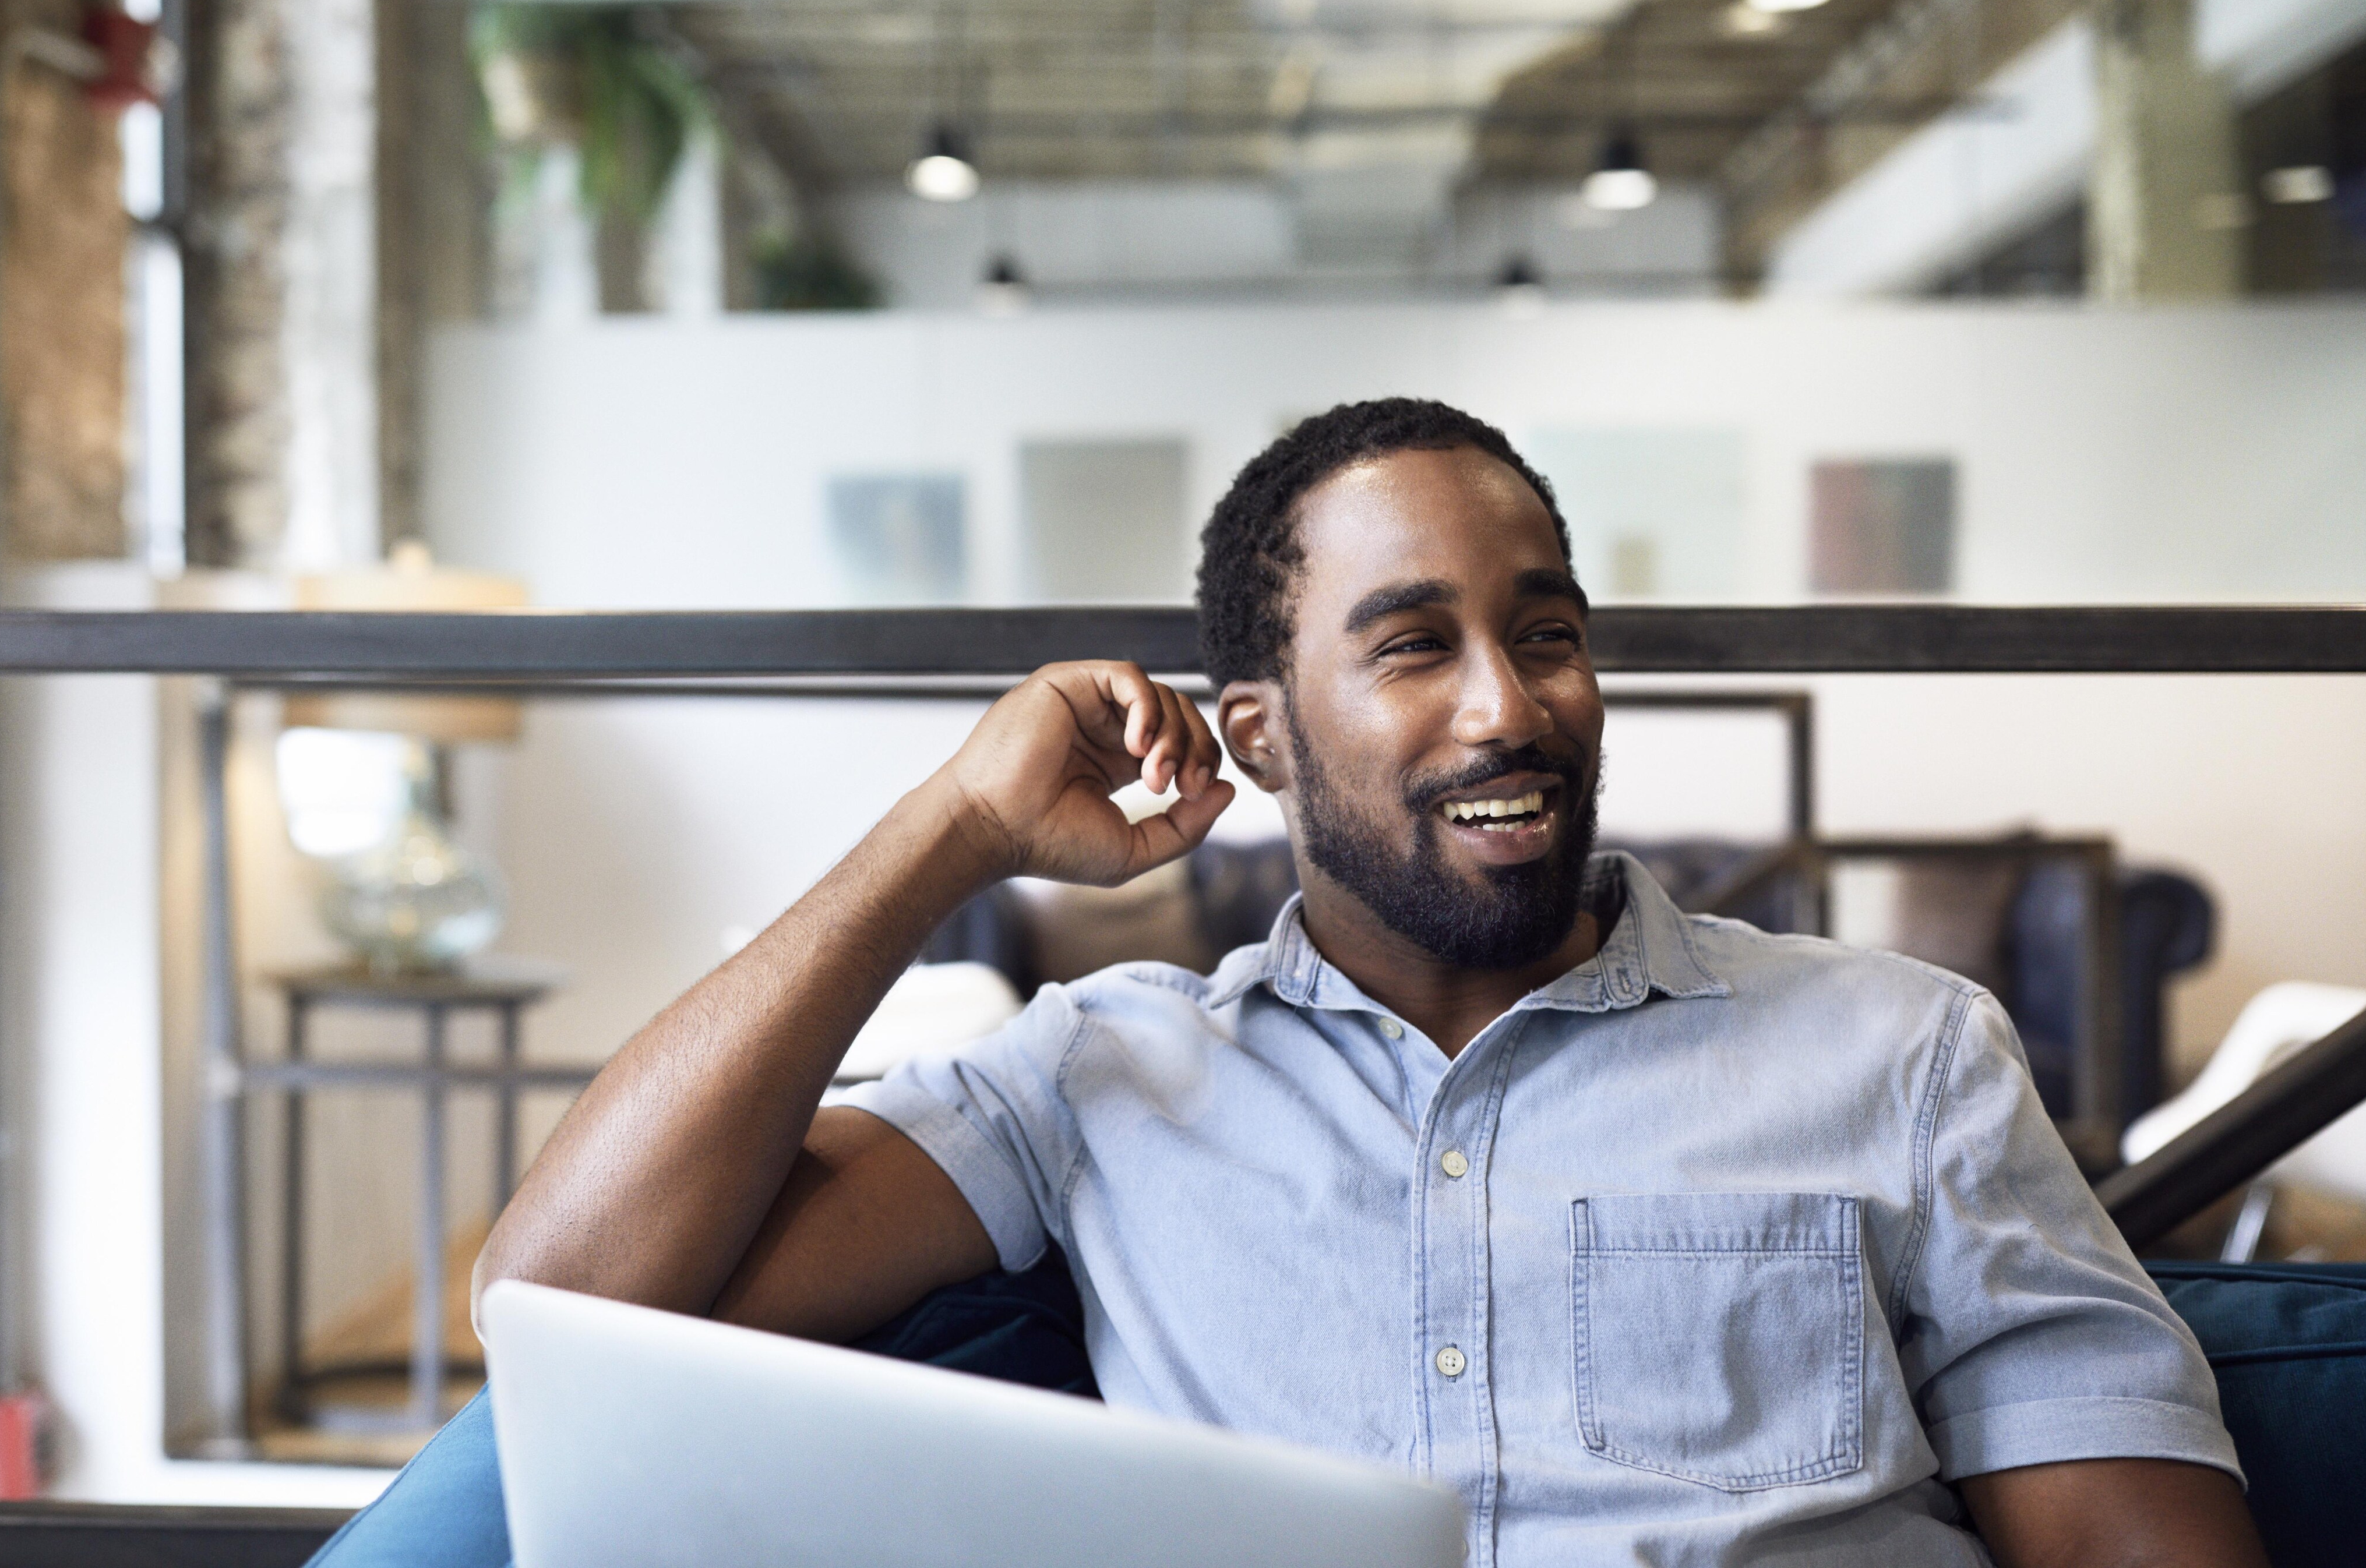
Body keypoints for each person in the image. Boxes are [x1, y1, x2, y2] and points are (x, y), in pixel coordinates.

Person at [472, 398, 2268, 1567]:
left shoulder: (1900, 1049)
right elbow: (564, 1293)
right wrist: (951, 826)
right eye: (1414, 645)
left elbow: (2136, 1535)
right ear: (1258, 732)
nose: (1510, 702)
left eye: (1546, 632)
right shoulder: (1104, 1076)